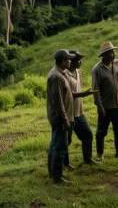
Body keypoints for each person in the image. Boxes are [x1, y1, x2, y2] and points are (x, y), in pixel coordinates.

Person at [63, 49, 98, 168]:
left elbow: (79, 89)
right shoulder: (64, 75)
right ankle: (65, 164)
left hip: (79, 112)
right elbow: (66, 95)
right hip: (69, 113)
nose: (81, 62)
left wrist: (81, 94)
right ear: (71, 62)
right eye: (78, 60)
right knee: (66, 141)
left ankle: (88, 159)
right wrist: (81, 94)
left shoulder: (78, 72)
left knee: (87, 135)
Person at [46, 49, 75, 184]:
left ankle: (53, 174)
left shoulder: (59, 73)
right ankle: (57, 178)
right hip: (59, 118)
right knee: (60, 147)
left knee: (54, 145)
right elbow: (58, 101)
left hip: (57, 117)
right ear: (63, 61)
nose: (70, 61)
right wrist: (65, 119)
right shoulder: (57, 76)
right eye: (68, 59)